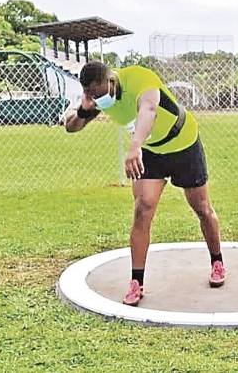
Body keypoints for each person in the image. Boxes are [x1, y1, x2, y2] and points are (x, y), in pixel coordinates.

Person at [65, 61, 225, 306]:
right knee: (142, 210)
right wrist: (84, 110)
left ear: (111, 80)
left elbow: (148, 109)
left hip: (182, 142)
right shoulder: (95, 97)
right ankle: (136, 282)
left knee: (201, 207)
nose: (98, 98)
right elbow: (72, 127)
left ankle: (217, 261)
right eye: (91, 95)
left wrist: (134, 144)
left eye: (99, 93)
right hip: (150, 151)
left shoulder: (140, 78)